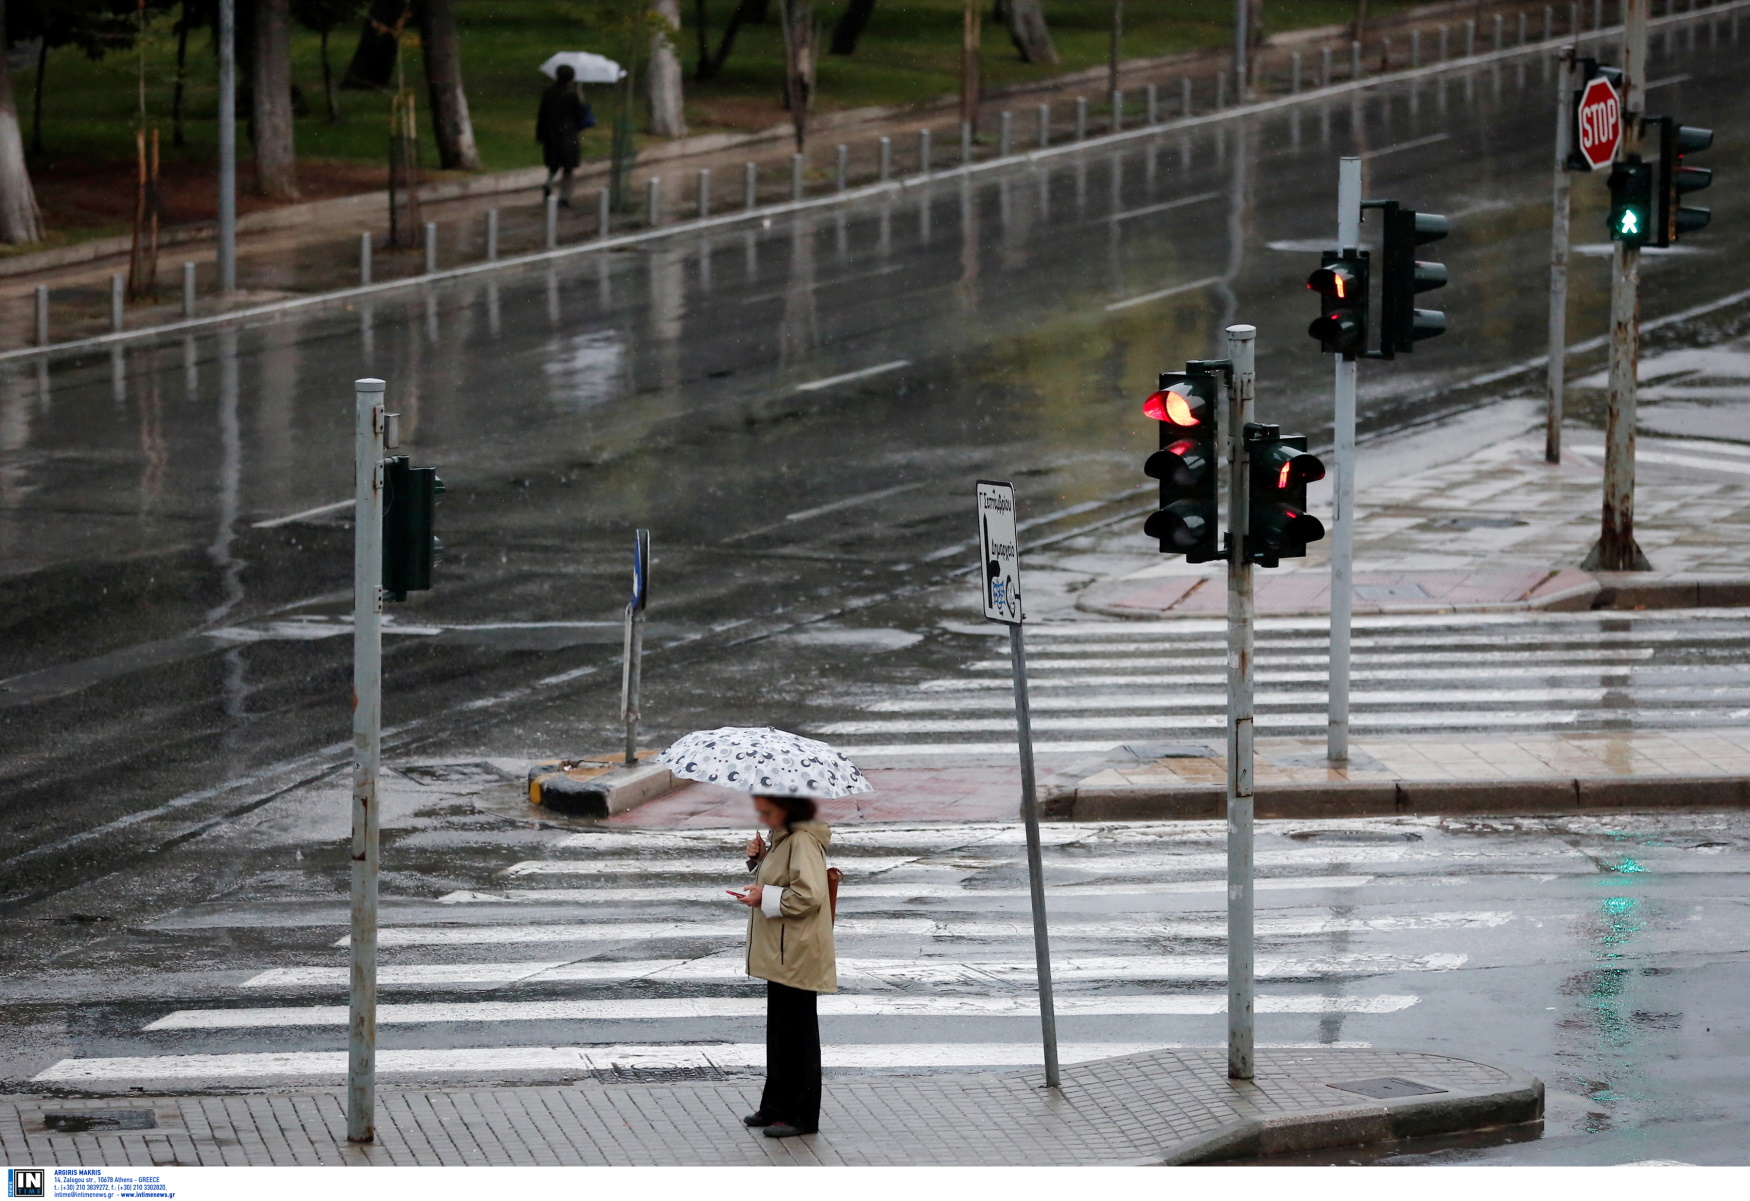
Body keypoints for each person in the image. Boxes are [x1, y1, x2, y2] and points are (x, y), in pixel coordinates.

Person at [728, 793, 835, 1138]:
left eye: (768, 809)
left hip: (798, 949)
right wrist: (758, 860)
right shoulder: (782, 838)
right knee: (780, 1031)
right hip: (782, 949)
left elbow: (808, 894)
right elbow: (780, 878)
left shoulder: (802, 839)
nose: (762, 814)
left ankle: (801, 1116)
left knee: (798, 1033)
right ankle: (775, 1105)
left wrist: (764, 897)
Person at [535, 64, 594, 207]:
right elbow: (579, 115)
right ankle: (565, 197)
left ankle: (548, 187)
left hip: (551, 134)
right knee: (568, 168)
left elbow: (542, 114)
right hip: (568, 134)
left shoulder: (548, 92)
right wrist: (582, 102)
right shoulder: (572, 95)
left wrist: (540, 134)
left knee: (553, 166)